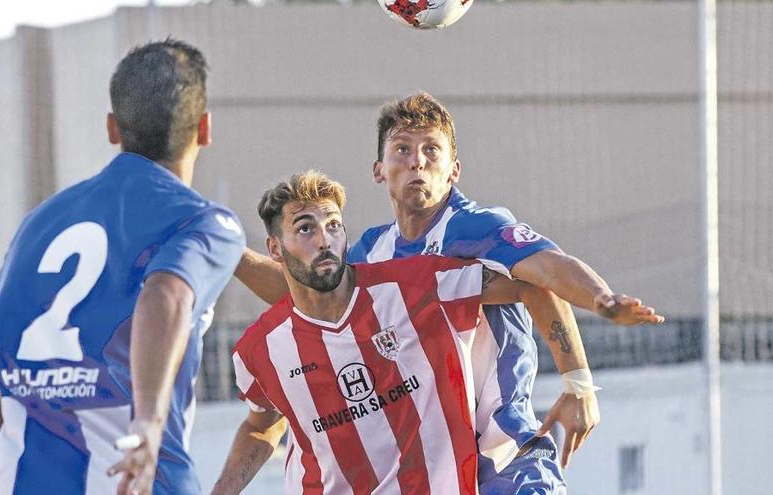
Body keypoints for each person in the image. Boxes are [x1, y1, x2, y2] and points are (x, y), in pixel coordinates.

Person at [235, 92, 663, 494]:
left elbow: (545, 273)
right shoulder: (371, 250)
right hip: (432, 466)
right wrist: (228, 252)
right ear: (379, 168)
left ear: (454, 169)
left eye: (431, 151)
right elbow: (305, 285)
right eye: (402, 149)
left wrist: (583, 369)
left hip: (502, 450)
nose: (417, 162)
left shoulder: (471, 227)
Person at [0, 39, 245, 495]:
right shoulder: (203, 222)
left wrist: (45, 441)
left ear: (113, 128)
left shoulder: (40, 222)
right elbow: (166, 293)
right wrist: (147, 425)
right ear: (204, 129)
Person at [211, 170, 568, 495]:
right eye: (305, 228)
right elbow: (261, 425)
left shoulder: (417, 285)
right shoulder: (260, 349)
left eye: (333, 225)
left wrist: (578, 381)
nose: (324, 240)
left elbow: (530, 281)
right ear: (275, 248)